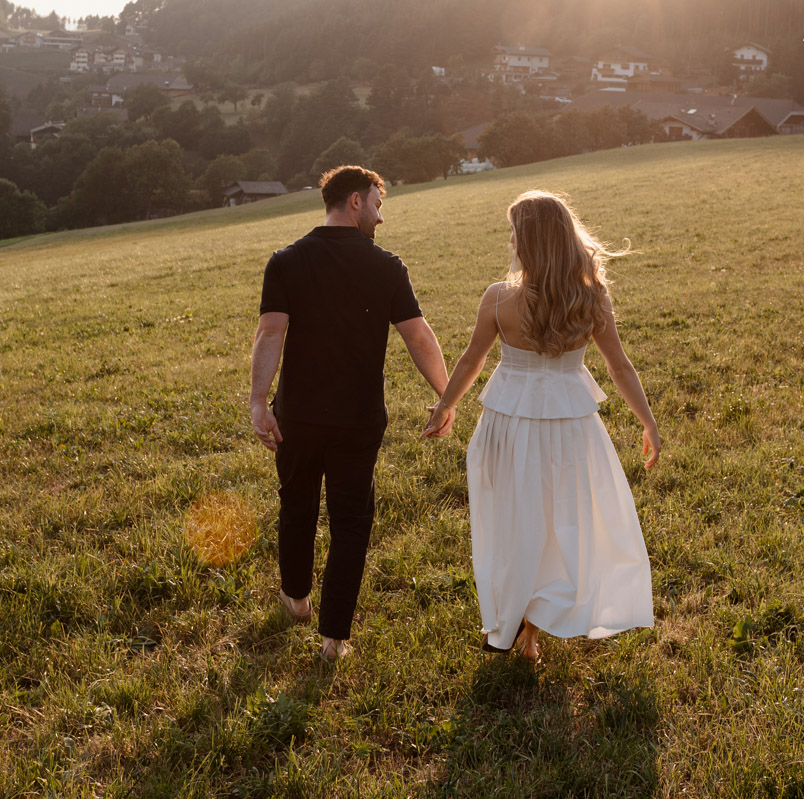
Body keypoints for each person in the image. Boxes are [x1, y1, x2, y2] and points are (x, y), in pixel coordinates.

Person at [422, 190, 658, 663]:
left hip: (508, 424)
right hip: (569, 428)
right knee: (562, 524)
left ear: (527, 241)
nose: (508, 239)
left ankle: (511, 627)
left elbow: (472, 360)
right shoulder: (589, 295)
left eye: (512, 231)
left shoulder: (499, 298)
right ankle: (534, 627)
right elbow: (620, 367)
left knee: (513, 525)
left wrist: (446, 404)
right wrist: (648, 423)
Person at [250, 165, 450, 661]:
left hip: (297, 414)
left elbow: (270, 333)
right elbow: (418, 337)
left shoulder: (287, 261)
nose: (381, 218)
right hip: (357, 420)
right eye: (378, 205)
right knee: (351, 521)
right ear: (355, 201)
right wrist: (447, 398)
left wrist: (258, 400)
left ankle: (296, 600)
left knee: (295, 505)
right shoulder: (386, 266)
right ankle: (333, 638)